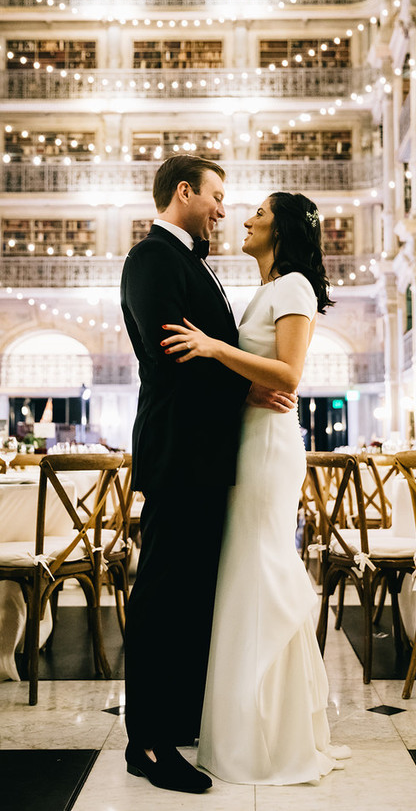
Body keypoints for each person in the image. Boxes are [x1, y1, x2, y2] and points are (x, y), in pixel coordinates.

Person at [162, 192, 351, 784]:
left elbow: (290, 375)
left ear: (283, 229)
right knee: (243, 572)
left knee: (260, 568)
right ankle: (257, 725)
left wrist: (215, 348)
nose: (244, 219)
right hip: (247, 434)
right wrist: (235, 379)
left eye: (260, 215)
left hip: (269, 444)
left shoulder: (293, 285)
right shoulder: (266, 290)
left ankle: (271, 739)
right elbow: (255, 374)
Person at [120, 155, 295, 795]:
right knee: (165, 596)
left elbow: (207, 354)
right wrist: (245, 395)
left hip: (202, 455)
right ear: (185, 193)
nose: (225, 208)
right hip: (179, 453)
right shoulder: (151, 260)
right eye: (218, 196)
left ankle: (174, 722)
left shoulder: (189, 261)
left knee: (191, 595)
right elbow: (174, 358)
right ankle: (148, 743)